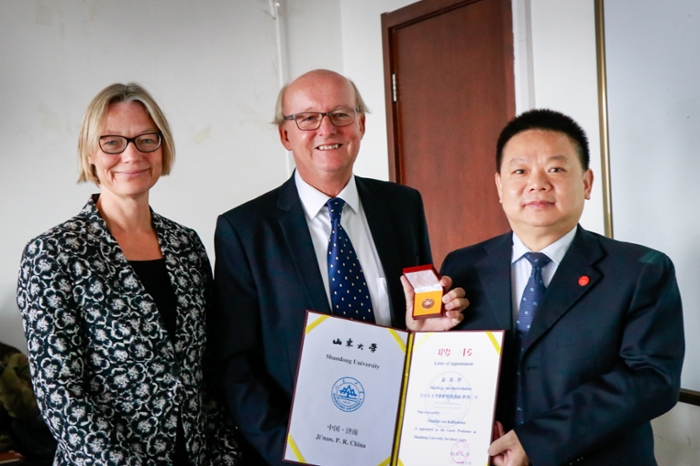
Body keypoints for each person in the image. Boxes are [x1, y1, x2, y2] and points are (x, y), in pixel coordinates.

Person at [212, 69, 467, 465]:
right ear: (285, 135)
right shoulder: (245, 230)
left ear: (361, 125)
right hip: (298, 449)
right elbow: (236, 363)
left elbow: (422, 317)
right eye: (308, 118)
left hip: (401, 438)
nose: (326, 129)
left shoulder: (402, 206)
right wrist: (287, 452)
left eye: (341, 115)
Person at [441, 109, 684, 465]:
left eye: (555, 169)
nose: (537, 183)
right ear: (499, 186)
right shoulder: (462, 267)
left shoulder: (640, 271)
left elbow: (652, 381)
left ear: (586, 183)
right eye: (520, 170)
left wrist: (538, 441)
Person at [16, 83, 239, 465]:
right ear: (89, 153)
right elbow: (59, 392)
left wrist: (226, 453)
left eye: (145, 139)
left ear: (162, 147)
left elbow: (209, 369)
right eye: (112, 142)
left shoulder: (186, 244)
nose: (132, 154)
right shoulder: (54, 253)